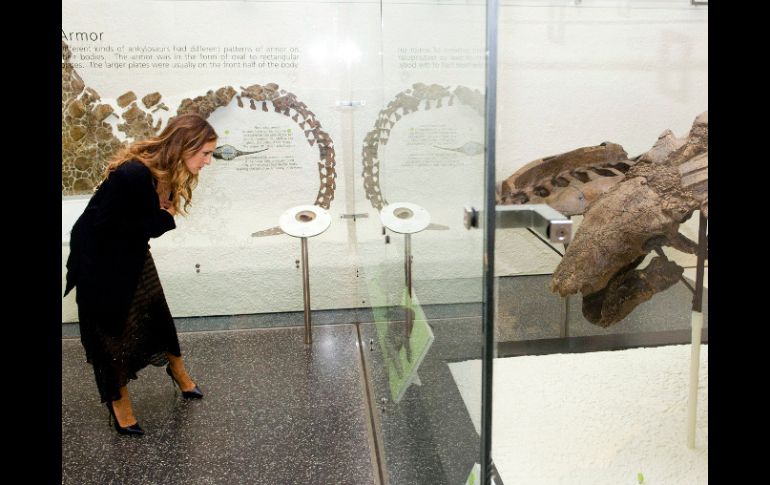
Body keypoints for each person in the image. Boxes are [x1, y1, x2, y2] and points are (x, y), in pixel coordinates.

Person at [64, 113, 218, 435]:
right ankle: (118, 403)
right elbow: (108, 227)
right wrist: (164, 219)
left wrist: (161, 218)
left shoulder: (162, 173)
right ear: (184, 145)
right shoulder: (134, 174)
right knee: (111, 334)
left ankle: (178, 371)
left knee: (156, 315)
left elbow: (136, 228)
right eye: (205, 153)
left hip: (130, 254)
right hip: (99, 263)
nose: (208, 161)